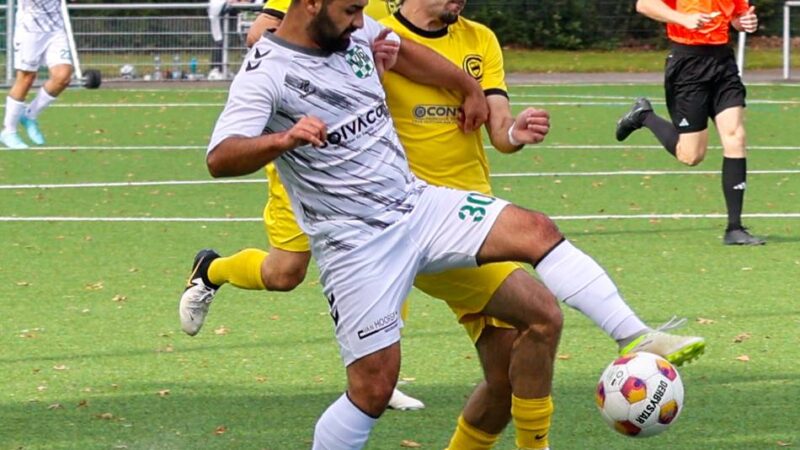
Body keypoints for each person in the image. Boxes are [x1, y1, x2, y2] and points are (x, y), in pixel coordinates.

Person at [198, 0, 701, 447]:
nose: (360, 21)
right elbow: (220, 157)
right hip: (357, 244)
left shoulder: (356, 31)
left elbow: (407, 52)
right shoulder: (266, 73)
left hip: (416, 205)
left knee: (536, 231)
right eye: (351, 11)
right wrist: (282, 140)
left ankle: (635, 335)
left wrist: (467, 86)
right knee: (373, 389)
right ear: (310, 4)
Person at [615, 0, 764, 245]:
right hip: (687, 65)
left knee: (736, 137)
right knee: (691, 155)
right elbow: (644, 4)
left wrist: (744, 22)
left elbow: (736, 18)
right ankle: (643, 116)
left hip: (724, 63)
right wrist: (682, 19)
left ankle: (734, 228)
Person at [2, 0, 74, 149]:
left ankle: (30, 115)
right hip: (29, 29)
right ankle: (9, 131)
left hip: (56, 29)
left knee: (63, 76)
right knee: (26, 78)